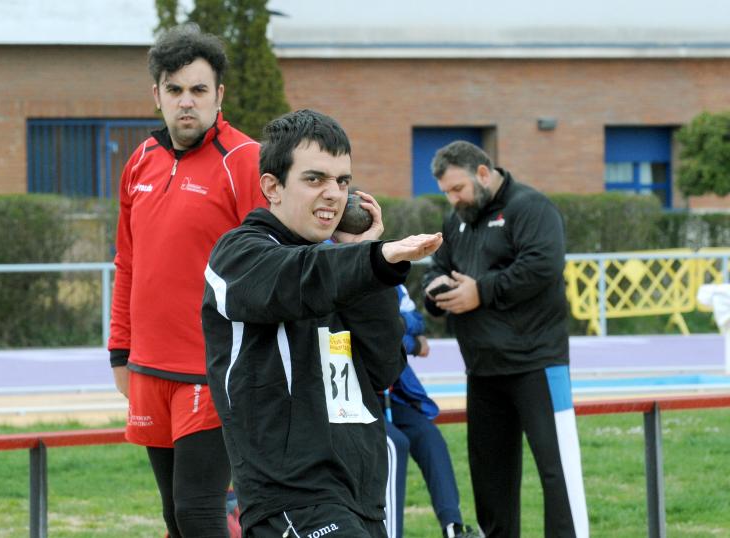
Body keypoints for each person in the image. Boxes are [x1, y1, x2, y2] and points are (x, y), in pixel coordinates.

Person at [202, 109, 443, 537]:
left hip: (361, 495)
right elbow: (300, 279)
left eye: (343, 181)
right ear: (272, 188)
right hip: (291, 498)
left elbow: (385, 367)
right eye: (315, 179)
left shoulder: (344, 265)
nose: (333, 194)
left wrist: (366, 267)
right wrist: (376, 259)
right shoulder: (239, 255)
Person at [108, 23, 266, 538]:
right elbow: (127, 264)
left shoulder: (244, 160)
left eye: (199, 91)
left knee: (199, 511)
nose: (186, 103)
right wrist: (119, 352)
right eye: (174, 90)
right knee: (174, 514)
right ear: (157, 94)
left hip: (213, 368)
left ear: (219, 95)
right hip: (149, 367)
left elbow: (271, 263)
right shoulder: (139, 162)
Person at [422, 141, 589, 538]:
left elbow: (542, 267)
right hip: (482, 369)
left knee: (557, 473)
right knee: (490, 480)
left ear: (483, 173)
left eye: (457, 188)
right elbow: (435, 269)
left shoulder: (530, 208)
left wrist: (481, 291)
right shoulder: (457, 219)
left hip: (537, 363)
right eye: (446, 191)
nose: (453, 198)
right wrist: (436, 292)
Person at [383, 285, 479, 538]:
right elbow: (370, 332)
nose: (367, 241)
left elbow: (417, 320)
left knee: (429, 437)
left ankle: (453, 528)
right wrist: (412, 343)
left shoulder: (392, 279)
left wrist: (397, 324)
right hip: (359, 398)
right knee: (397, 444)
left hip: (395, 397)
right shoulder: (336, 263)